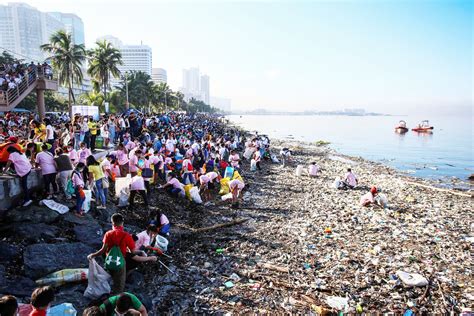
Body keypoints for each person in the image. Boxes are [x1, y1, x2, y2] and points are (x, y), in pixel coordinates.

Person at [88, 213, 135, 294]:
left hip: (109, 261)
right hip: (119, 263)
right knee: (119, 285)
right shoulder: (127, 235)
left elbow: (103, 250)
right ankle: (116, 298)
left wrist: (93, 255)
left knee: (107, 279)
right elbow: (132, 252)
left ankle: (105, 292)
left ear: (112, 223)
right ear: (122, 223)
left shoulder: (108, 234)